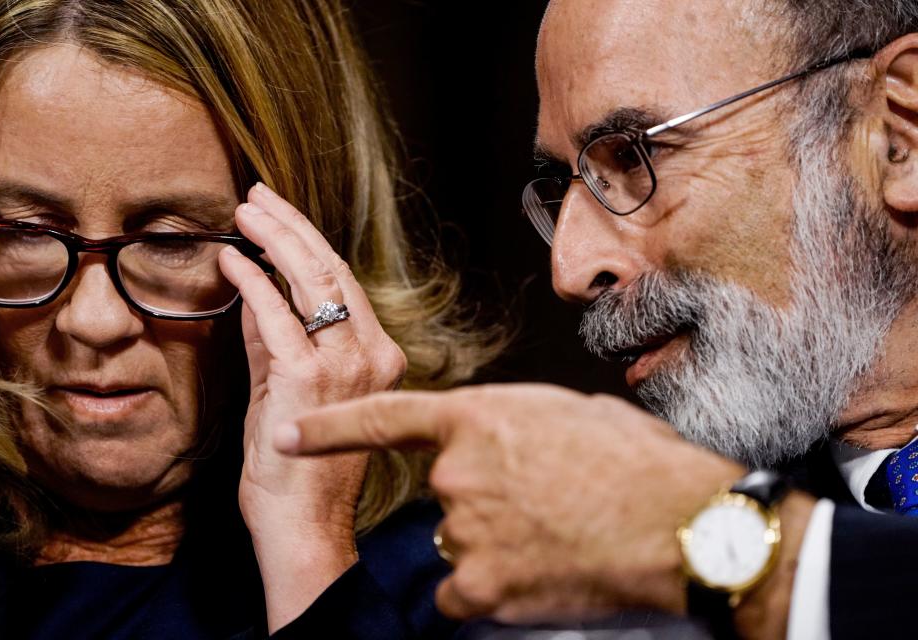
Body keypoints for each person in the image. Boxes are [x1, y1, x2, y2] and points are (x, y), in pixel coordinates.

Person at [276, 0, 918, 638]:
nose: (570, 268)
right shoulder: (612, 601)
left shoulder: (687, 543)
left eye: (635, 157)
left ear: (898, 135)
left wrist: (736, 552)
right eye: (564, 185)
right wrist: (307, 542)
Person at [0, 0, 499, 637]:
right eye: (28, 232)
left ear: (306, 246)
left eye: (171, 240)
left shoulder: (458, 586)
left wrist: (309, 545)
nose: (94, 322)